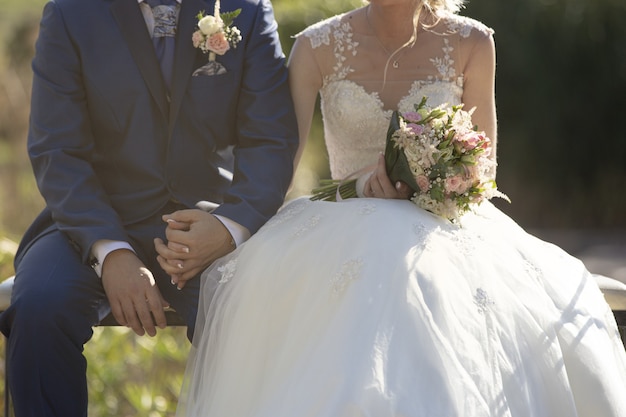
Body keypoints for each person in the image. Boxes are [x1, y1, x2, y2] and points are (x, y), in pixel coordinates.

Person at [174, 0, 626, 416]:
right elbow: (280, 168)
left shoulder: (472, 42)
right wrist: (236, 222)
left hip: (444, 220)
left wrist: (432, 184)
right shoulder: (315, 45)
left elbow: (483, 169)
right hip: (341, 213)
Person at [0, 0, 298, 415]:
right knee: (39, 309)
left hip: (205, 225)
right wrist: (111, 251)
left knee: (258, 311)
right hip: (90, 222)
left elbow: (271, 141)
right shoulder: (71, 12)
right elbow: (57, 150)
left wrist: (229, 227)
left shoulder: (244, 9)